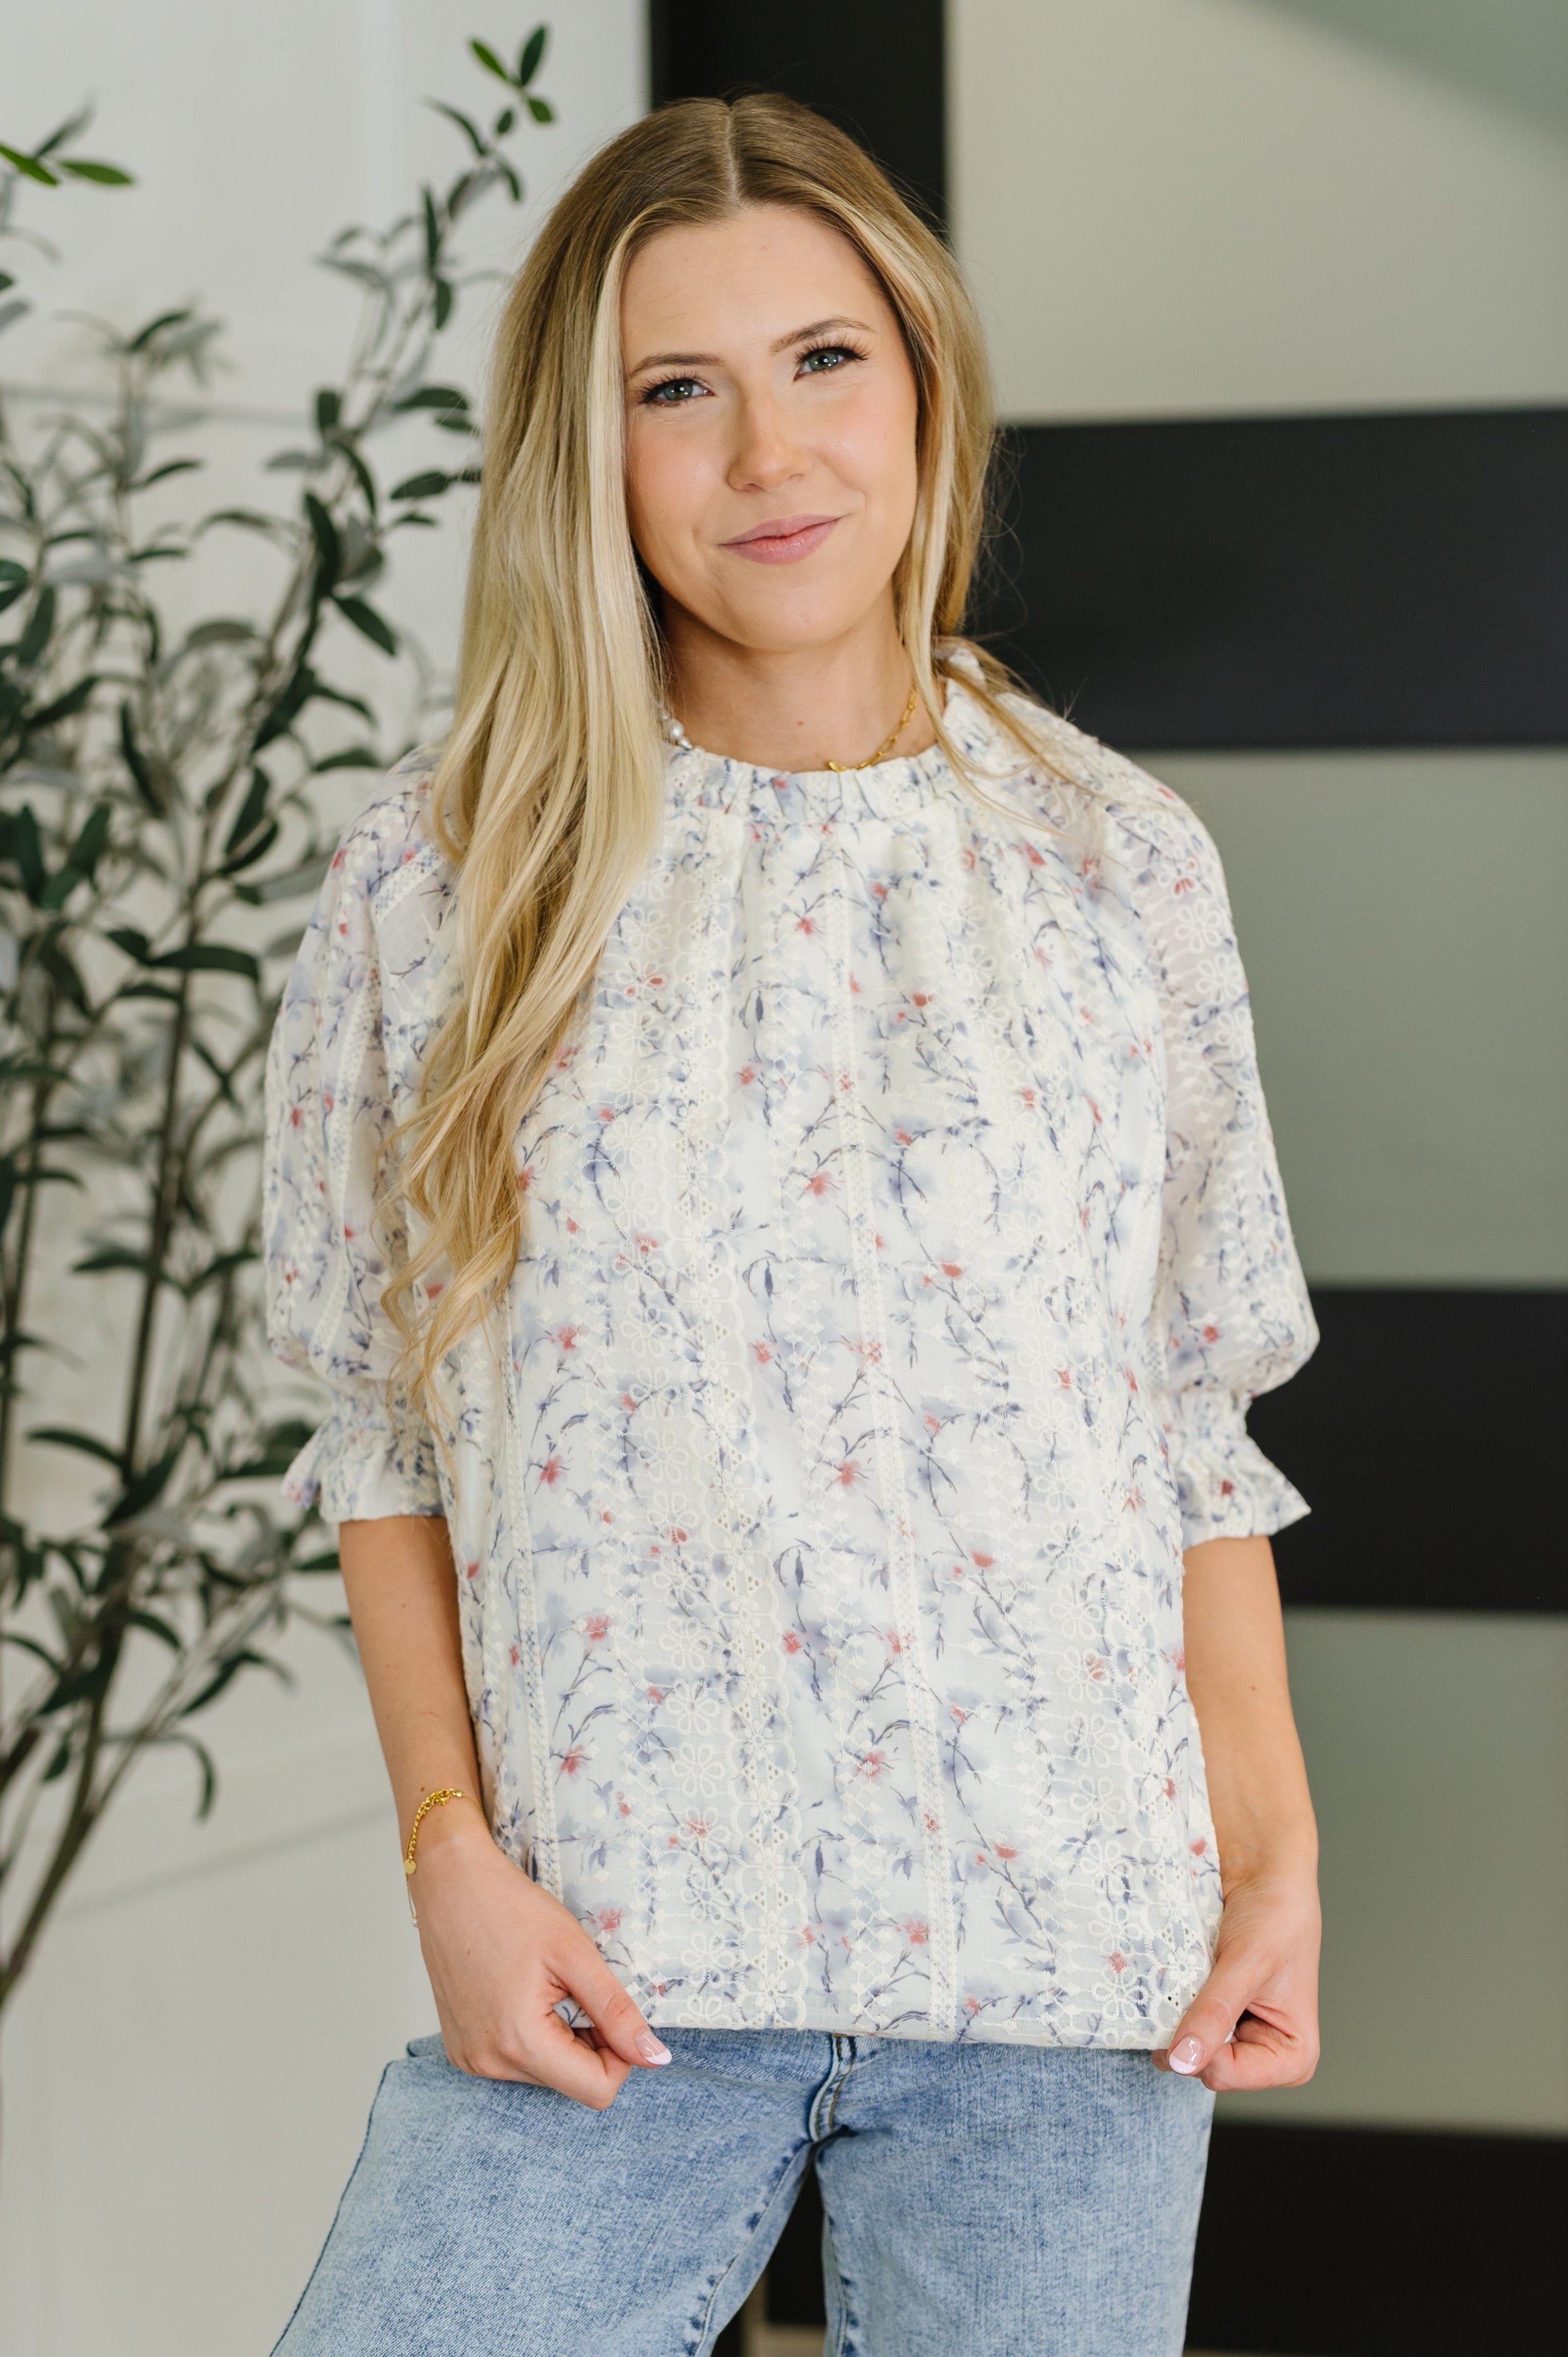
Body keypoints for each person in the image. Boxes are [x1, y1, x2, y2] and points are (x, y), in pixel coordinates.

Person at [263, 93, 1321, 2357]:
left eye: (826, 360)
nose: (771, 455)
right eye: (680, 389)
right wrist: (451, 1857)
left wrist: (1272, 1863)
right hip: (614, 1977)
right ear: (592, 448)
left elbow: (1184, 1424)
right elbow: (383, 1436)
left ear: (922, 386)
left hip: (1067, 1984)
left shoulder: (1116, 866)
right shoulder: (436, 890)